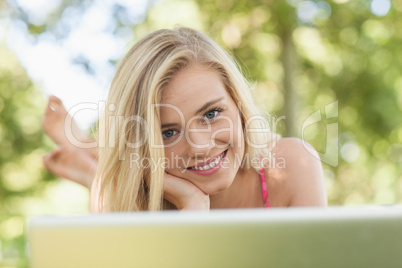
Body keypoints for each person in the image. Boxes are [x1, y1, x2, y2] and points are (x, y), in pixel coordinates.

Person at [43, 27, 327, 212]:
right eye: (168, 133)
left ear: (239, 106)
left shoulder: (293, 166)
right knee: (109, 186)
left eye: (212, 114)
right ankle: (99, 163)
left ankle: (94, 157)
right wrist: (192, 210)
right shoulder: (124, 206)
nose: (201, 146)